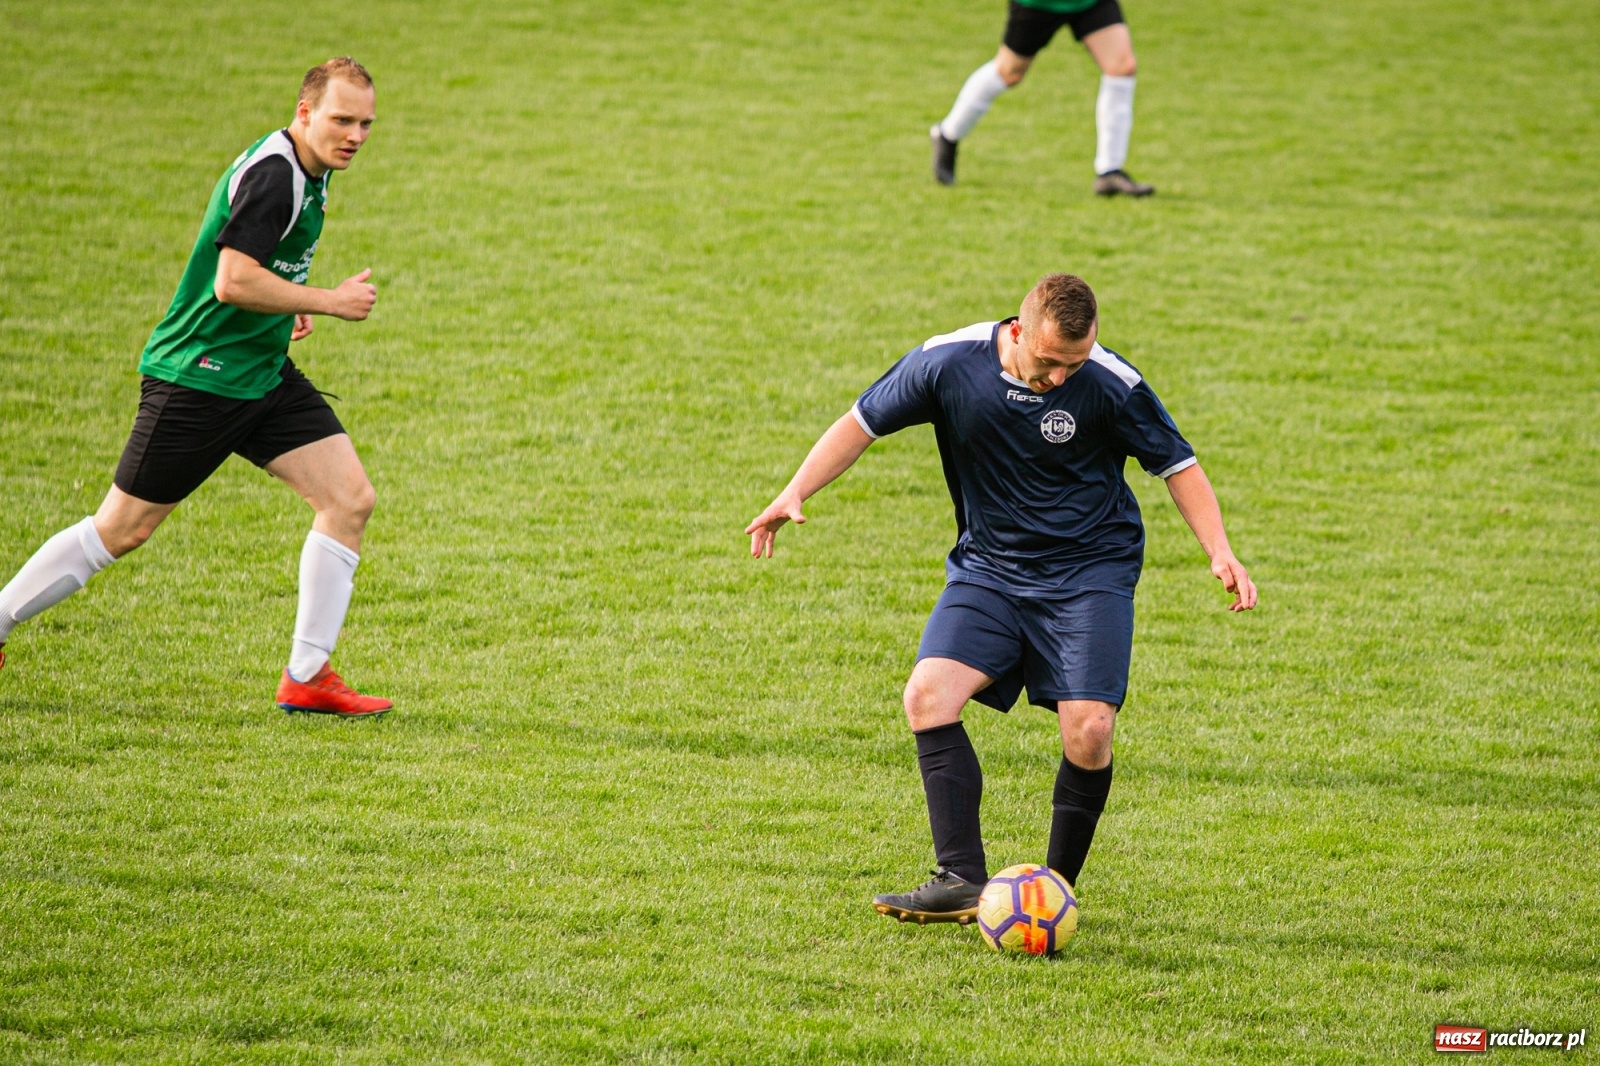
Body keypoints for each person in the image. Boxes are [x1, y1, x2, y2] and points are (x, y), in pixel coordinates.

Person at [746, 274, 1255, 924]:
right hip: (990, 570)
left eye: (1073, 363)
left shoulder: (1107, 381)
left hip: (1088, 573)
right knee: (927, 697)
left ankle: (1051, 895)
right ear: (1018, 331)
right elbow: (861, 421)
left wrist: (1219, 548)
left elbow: (1176, 463)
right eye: (1049, 362)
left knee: (1091, 729)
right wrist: (796, 491)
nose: (1061, 376)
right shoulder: (948, 362)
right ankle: (960, 877)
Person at [0, 58, 392, 717]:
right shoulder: (278, 176)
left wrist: (284, 302)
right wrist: (324, 299)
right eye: (341, 120)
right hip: (200, 380)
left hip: (259, 375)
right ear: (304, 114)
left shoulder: (309, 170)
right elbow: (232, 281)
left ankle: (307, 675)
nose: (354, 134)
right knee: (120, 530)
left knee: (349, 499)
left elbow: (253, 269)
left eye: (366, 123)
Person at [930, 0, 1154, 196]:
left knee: (1122, 67)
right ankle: (948, 134)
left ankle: (1109, 171)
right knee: (1009, 72)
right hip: (1040, 3)